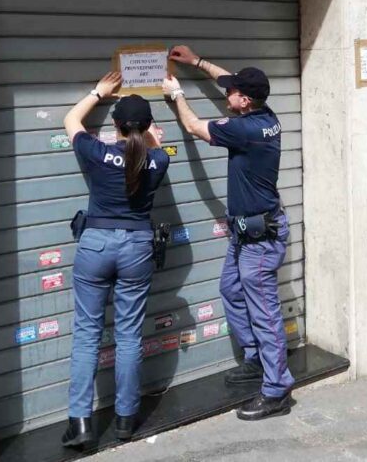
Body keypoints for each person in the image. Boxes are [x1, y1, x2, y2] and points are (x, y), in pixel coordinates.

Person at [163, 45, 294, 421]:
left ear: (245, 100)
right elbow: (227, 79)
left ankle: (277, 389)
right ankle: (255, 359)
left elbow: (192, 126)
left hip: (261, 240)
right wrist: (197, 62)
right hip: (246, 234)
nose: (226, 92)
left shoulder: (244, 130)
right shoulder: (264, 115)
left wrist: (176, 94)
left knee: (266, 313)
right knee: (231, 291)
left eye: (233, 92)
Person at [61, 71, 170, 447]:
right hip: (137, 247)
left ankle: (80, 424)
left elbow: (70, 121)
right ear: (150, 126)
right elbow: (153, 150)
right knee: (128, 336)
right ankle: (125, 419)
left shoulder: (95, 151)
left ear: (115, 125)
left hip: (95, 246)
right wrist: (155, 139)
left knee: (87, 336)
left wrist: (98, 92)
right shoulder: (158, 161)